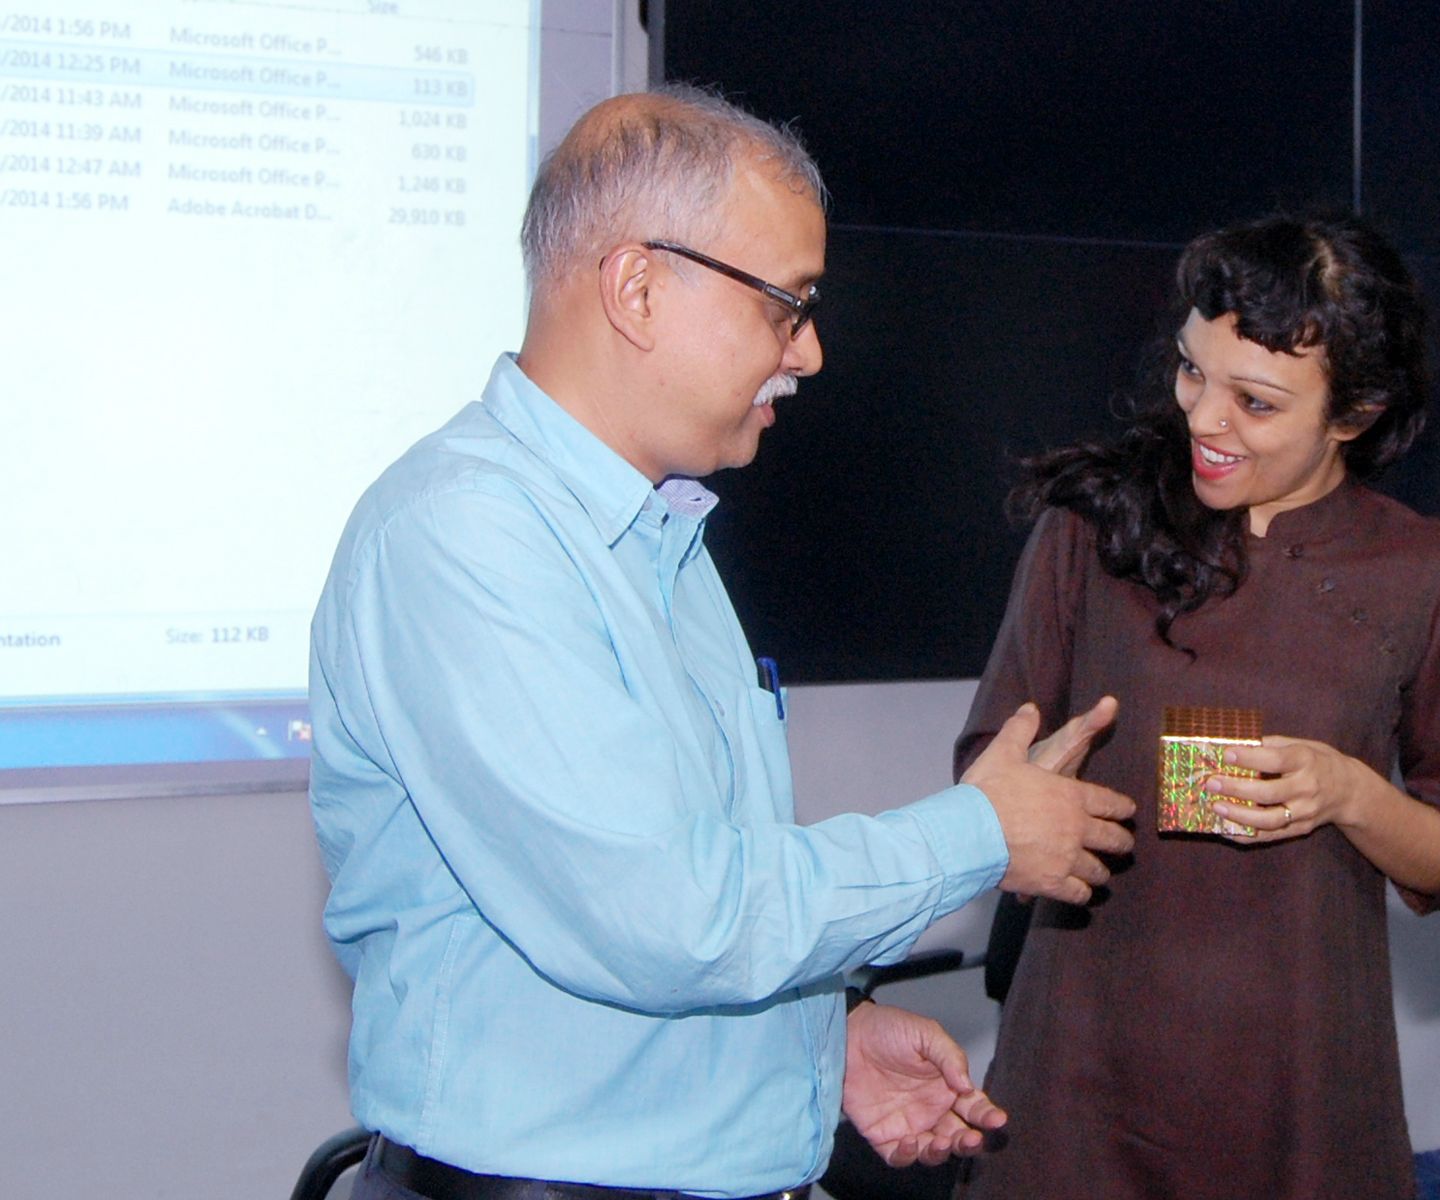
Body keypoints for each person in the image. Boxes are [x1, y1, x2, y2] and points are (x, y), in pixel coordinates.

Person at [307, 86, 1135, 1200]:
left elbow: (686, 892)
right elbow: (667, 916)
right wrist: (979, 834)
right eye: (787, 305)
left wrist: (819, 1041)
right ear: (639, 290)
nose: (812, 351)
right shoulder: (465, 535)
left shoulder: (661, 533)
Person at [952, 213, 1440, 1200]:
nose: (1205, 420)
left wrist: (1350, 793)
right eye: (1191, 372)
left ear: (1355, 414)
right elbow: (984, 763)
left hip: (1299, 1080)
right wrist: (1012, 803)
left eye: (1255, 402)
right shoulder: (1091, 530)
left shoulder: (1427, 575)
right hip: (1082, 1067)